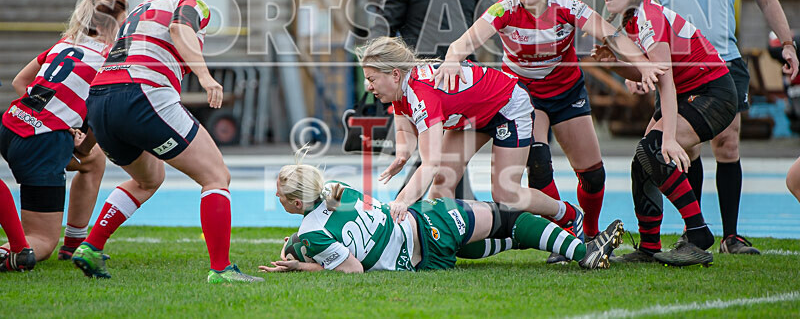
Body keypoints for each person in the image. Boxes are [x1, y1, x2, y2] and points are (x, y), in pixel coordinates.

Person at [433, 0, 663, 263]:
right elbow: (463, 42)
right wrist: (452, 59)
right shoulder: (504, 8)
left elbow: (611, 35)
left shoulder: (567, 6)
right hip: (523, 96)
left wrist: (644, 64)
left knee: (593, 174)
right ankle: (564, 235)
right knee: (538, 164)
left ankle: (589, 232)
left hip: (566, 93)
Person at [71, 0, 263, 284]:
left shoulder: (140, 7)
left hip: (100, 99)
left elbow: (117, 69)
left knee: (148, 179)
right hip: (143, 94)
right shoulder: (191, 1)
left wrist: (86, 142)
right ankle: (221, 269)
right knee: (216, 175)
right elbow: (179, 29)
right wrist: (205, 77)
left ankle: (91, 245)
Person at [640, 0, 799, 255]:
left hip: (725, 62)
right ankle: (692, 232)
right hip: (676, 68)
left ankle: (731, 236)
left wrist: (788, 44)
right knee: (683, 148)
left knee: (727, 144)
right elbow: (635, 6)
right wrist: (638, 61)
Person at [357, 36, 587, 240]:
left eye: (372, 79)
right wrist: (402, 155)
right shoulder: (400, 89)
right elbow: (405, 131)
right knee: (442, 181)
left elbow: (429, 163)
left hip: (508, 107)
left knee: (506, 194)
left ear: (395, 74)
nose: (368, 86)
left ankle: (568, 213)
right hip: (472, 114)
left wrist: (401, 201)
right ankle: (444, 242)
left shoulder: (421, 94)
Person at [592, 0, 737, 266]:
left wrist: (669, 138)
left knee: (654, 149)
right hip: (691, 93)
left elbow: (666, 82)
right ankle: (649, 247)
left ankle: (698, 233)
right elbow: (650, 73)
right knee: (642, 162)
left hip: (712, 92)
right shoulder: (634, 19)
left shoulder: (649, 16)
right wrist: (614, 64)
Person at [258, 152, 624, 273]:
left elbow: (349, 265)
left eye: (280, 194)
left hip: (423, 262)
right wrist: (303, 255)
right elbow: (351, 265)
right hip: (427, 223)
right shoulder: (337, 189)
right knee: (510, 217)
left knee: (502, 236)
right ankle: (584, 251)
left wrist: (302, 260)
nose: (276, 197)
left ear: (296, 204)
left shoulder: (311, 232)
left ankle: (569, 247)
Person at [0, 0, 126, 267]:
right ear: (106, 26)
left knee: (93, 161)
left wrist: (51, 118)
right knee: (41, 241)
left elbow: (20, 81)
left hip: (10, 125)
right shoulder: (109, 60)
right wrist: (80, 142)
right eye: (122, 24)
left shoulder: (66, 43)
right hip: (41, 143)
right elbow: (101, 116)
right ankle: (18, 252)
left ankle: (74, 245)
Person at [380, 0, 491, 200]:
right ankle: (412, 210)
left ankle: (436, 210)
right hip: (421, 85)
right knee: (436, 156)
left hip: (463, 84)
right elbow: (382, 32)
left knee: (447, 157)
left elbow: (493, 26)